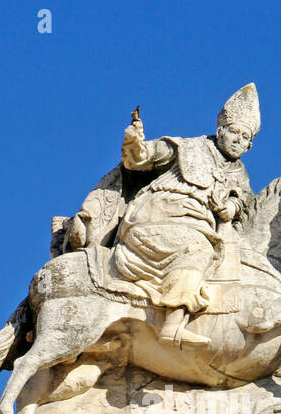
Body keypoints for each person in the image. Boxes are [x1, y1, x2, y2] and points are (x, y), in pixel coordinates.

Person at [109, 84, 261, 348]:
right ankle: (173, 324)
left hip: (198, 227)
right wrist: (134, 142)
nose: (238, 140)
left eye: (245, 137)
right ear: (220, 130)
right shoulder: (185, 148)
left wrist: (230, 208)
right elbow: (140, 158)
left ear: (250, 145)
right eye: (234, 132)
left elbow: (242, 202)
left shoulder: (241, 175)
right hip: (157, 217)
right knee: (197, 250)